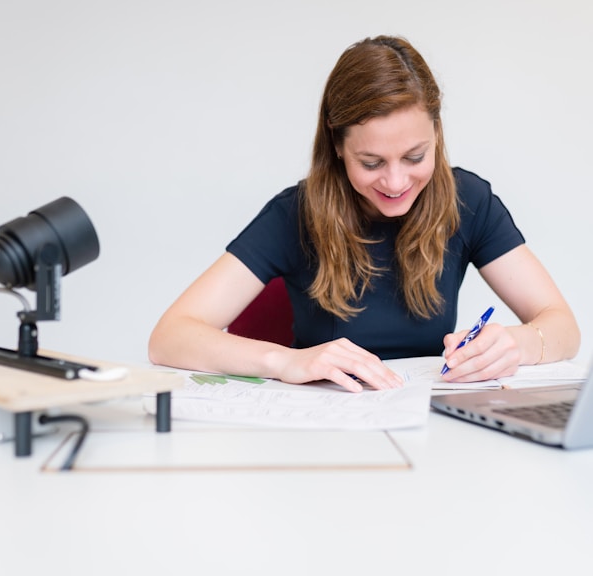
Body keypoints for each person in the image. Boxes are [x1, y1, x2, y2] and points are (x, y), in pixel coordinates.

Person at [148, 35, 580, 393]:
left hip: (433, 427)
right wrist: (288, 360)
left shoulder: (468, 200)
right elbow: (169, 337)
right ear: (337, 146)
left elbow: (564, 327)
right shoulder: (294, 214)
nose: (395, 183)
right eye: (371, 163)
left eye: (415, 156)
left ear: (436, 134)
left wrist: (519, 344)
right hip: (325, 431)